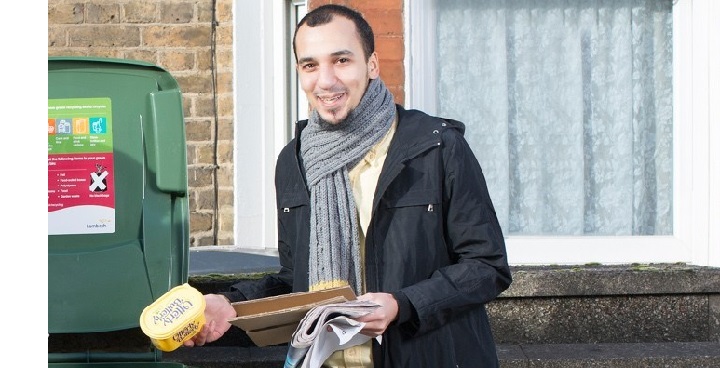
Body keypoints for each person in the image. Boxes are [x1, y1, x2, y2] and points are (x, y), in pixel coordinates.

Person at [184, 4, 512, 367]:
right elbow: (298, 280)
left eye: (341, 60)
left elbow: (486, 266)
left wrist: (403, 305)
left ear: (371, 64)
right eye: (310, 65)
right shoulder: (294, 161)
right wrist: (231, 305)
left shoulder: (435, 146)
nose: (325, 80)